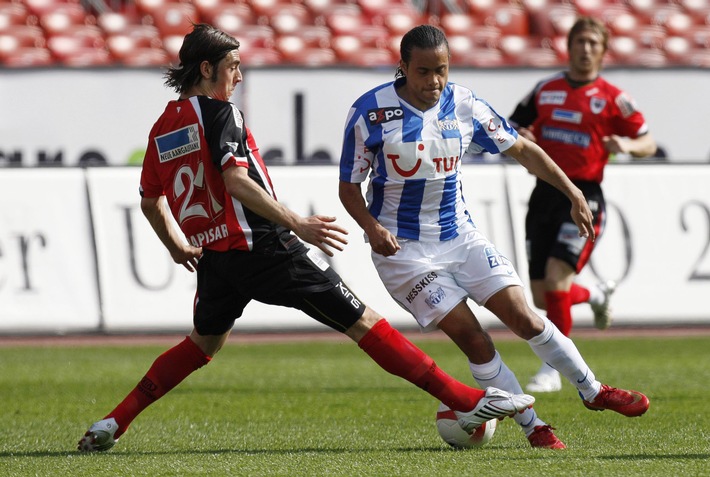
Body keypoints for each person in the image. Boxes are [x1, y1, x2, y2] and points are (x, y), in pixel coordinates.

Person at [76, 24, 536, 453]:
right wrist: (297, 223)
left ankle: (113, 422)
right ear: (206, 69)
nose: (239, 76)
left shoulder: (161, 128)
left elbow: (150, 200)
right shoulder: (221, 114)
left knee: (201, 345)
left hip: (217, 257)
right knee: (362, 321)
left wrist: (176, 245)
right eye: (233, 66)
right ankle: (464, 397)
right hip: (264, 247)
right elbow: (236, 182)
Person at [338, 24, 650, 450]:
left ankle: (592, 390)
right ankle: (534, 426)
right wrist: (372, 228)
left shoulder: (464, 104)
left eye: (442, 70)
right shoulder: (371, 111)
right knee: (472, 336)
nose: (434, 82)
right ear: (403, 68)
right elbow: (349, 186)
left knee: (524, 316)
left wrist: (573, 191)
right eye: (423, 72)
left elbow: (521, 149)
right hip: (405, 253)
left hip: (460, 237)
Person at [508, 17, 657, 393]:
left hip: (585, 196)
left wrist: (628, 146)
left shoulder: (613, 98)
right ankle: (596, 295)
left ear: (603, 52)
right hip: (544, 195)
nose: (586, 49)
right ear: (569, 46)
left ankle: (550, 369)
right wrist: (521, 136)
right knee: (543, 295)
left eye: (594, 43)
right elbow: (511, 128)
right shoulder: (546, 90)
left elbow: (648, 142)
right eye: (580, 42)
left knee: (558, 277)